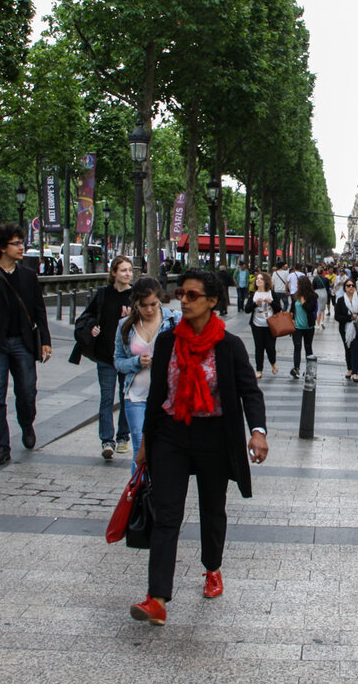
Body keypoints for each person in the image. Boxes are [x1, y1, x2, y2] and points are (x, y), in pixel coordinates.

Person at [130, 270, 268, 627]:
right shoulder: (167, 343)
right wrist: (146, 442)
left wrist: (257, 432)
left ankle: (212, 568)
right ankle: (157, 597)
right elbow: (157, 395)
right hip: (172, 435)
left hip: (214, 436)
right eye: (181, 294)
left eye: (193, 296)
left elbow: (249, 393)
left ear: (212, 302)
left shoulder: (229, 346)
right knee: (166, 514)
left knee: (212, 509)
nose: (184, 301)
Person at [0, 223, 52, 466]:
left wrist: (45, 341)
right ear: (2, 248)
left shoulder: (28, 275)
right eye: (16, 243)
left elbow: (39, 309)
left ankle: (26, 423)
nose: (21, 247)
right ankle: (1, 446)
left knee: (27, 391)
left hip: (23, 343)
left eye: (21, 243)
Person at [114, 277, 181, 463]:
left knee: (163, 449)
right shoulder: (125, 326)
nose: (149, 309)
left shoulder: (174, 320)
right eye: (144, 305)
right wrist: (136, 361)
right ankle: (140, 490)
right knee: (140, 450)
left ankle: (157, 489)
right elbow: (118, 362)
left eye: (153, 304)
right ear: (135, 303)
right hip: (136, 395)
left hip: (167, 396)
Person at [77, 255, 135, 459]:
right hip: (105, 355)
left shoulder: (135, 296)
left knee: (126, 397)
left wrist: (130, 318)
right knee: (107, 398)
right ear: (113, 273)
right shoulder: (102, 294)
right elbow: (88, 316)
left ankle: (123, 437)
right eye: (123, 270)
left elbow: (146, 322)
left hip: (127, 356)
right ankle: (107, 441)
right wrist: (92, 327)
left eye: (129, 270)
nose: (128, 274)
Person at [335, 277, 358, 382]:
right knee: (348, 349)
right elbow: (337, 316)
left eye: (352, 285)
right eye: (348, 286)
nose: (351, 287)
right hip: (345, 329)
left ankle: (355, 373)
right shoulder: (341, 300)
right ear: (345, 288)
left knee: (356, 350)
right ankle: (350, 369)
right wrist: (350, 318)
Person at [245, 272, 280, 378]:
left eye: (260, 279)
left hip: (270, 325)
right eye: (257, 279)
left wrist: (271, 302)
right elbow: (247, 309)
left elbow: (279, 308)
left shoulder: (272, 294)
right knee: (259, 348)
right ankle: (259, 370)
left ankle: (273, 362)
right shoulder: (253, 295)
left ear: (266, 281)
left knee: (270, 347)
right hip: (257, 325)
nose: (258, 280)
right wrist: (255, 304)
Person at [289, 275, 317, 378]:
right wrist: (291, 318)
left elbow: (309, 309)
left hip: (308, 327)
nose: (297, 286)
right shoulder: (295, 295)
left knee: (308, 347)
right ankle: (296, 368)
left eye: (298, 284)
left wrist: (303, 301)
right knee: (297, 347)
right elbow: (292, 309)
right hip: (297, 327)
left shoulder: (313, 296)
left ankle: (309, 370)